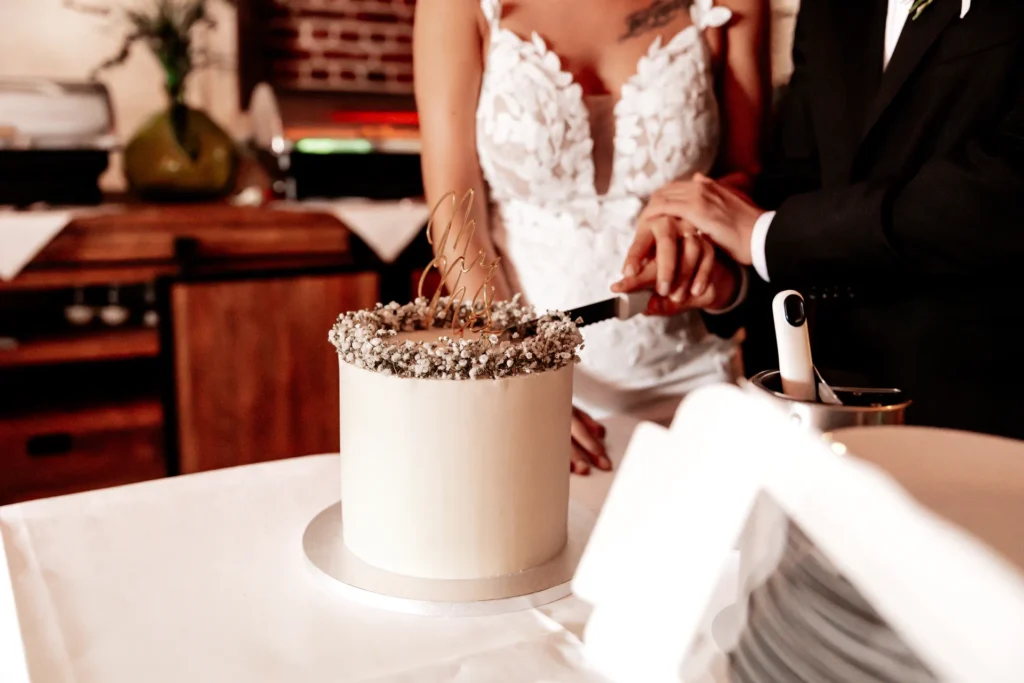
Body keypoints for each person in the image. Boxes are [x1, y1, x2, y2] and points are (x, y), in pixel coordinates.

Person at [614, 0, 1024, 437]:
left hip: (971, 412)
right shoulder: (830, 9)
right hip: (800, 401)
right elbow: (801, 173)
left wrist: (762, 238)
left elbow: (996, 198)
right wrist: (731, 279)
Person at [414, 0, 769, 473]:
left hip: (690, 384)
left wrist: (695, 240)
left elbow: (744, 181)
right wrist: (517, 374)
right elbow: (455, 214)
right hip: (517, 376)